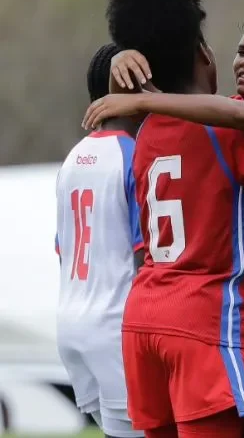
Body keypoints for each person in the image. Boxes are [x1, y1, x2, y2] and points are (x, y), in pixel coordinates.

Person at [84, 13, 244, 438]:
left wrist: (143, 99)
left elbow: (218, 112)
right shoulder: (220, 120)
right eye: (241, 51)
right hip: (236, 312)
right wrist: (128, 58)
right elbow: (189, 110)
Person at [55, 42, 144, 438]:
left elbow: (63, 249)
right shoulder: (136, 156)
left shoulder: (74, 157)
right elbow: (147, 259)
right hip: (116, 325)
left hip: (72, 324)